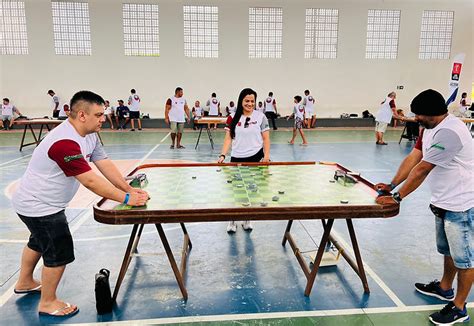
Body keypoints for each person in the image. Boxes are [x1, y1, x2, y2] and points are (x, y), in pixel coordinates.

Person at [12, 90, 149, 318]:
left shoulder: (90, 135)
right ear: (82, 115)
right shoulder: (64, 142)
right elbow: (90, 180)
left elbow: (103, 163)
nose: (103, 119)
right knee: (58, 250)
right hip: (39, 206)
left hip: (37, 202)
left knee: (38, 241)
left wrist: (128, 188)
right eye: (99, 115)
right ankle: (48, 302)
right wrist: (126, 199)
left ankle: (25, 281)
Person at [375, 89, 473, 326]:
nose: (416, 118)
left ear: (432, 114)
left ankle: (460, 307)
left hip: (461, 203)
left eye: (419, 114)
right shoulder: (428, 129)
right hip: (443, 201)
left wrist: (397, 198)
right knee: (448, 251)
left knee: (465, 259)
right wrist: (391, 184)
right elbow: (414, 158)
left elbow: (422, 169)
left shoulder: (449, 132)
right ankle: (445, 287)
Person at [218, 88, 270, 233]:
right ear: (241, 101)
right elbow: (228, 139)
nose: (250, 104)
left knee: (252, 190)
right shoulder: (232, 117)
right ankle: (233, 220)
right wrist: (223, 155)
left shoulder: (261, 117)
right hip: (237, 158)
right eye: (247, 101)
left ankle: (247, 219)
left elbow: (266, 139)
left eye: (252, 101)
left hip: (256, 157)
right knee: (237, 191)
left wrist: (266, 156)